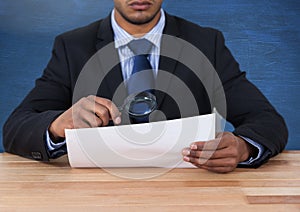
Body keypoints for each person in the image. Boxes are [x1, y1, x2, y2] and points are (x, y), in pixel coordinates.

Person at [3, 0, 288, 173]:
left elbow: (266, 120)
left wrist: (242, 147)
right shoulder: (72, 47)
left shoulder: (205, 44)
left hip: (189, 194)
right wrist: (56, 126)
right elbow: (16, 127)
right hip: (95, 197)